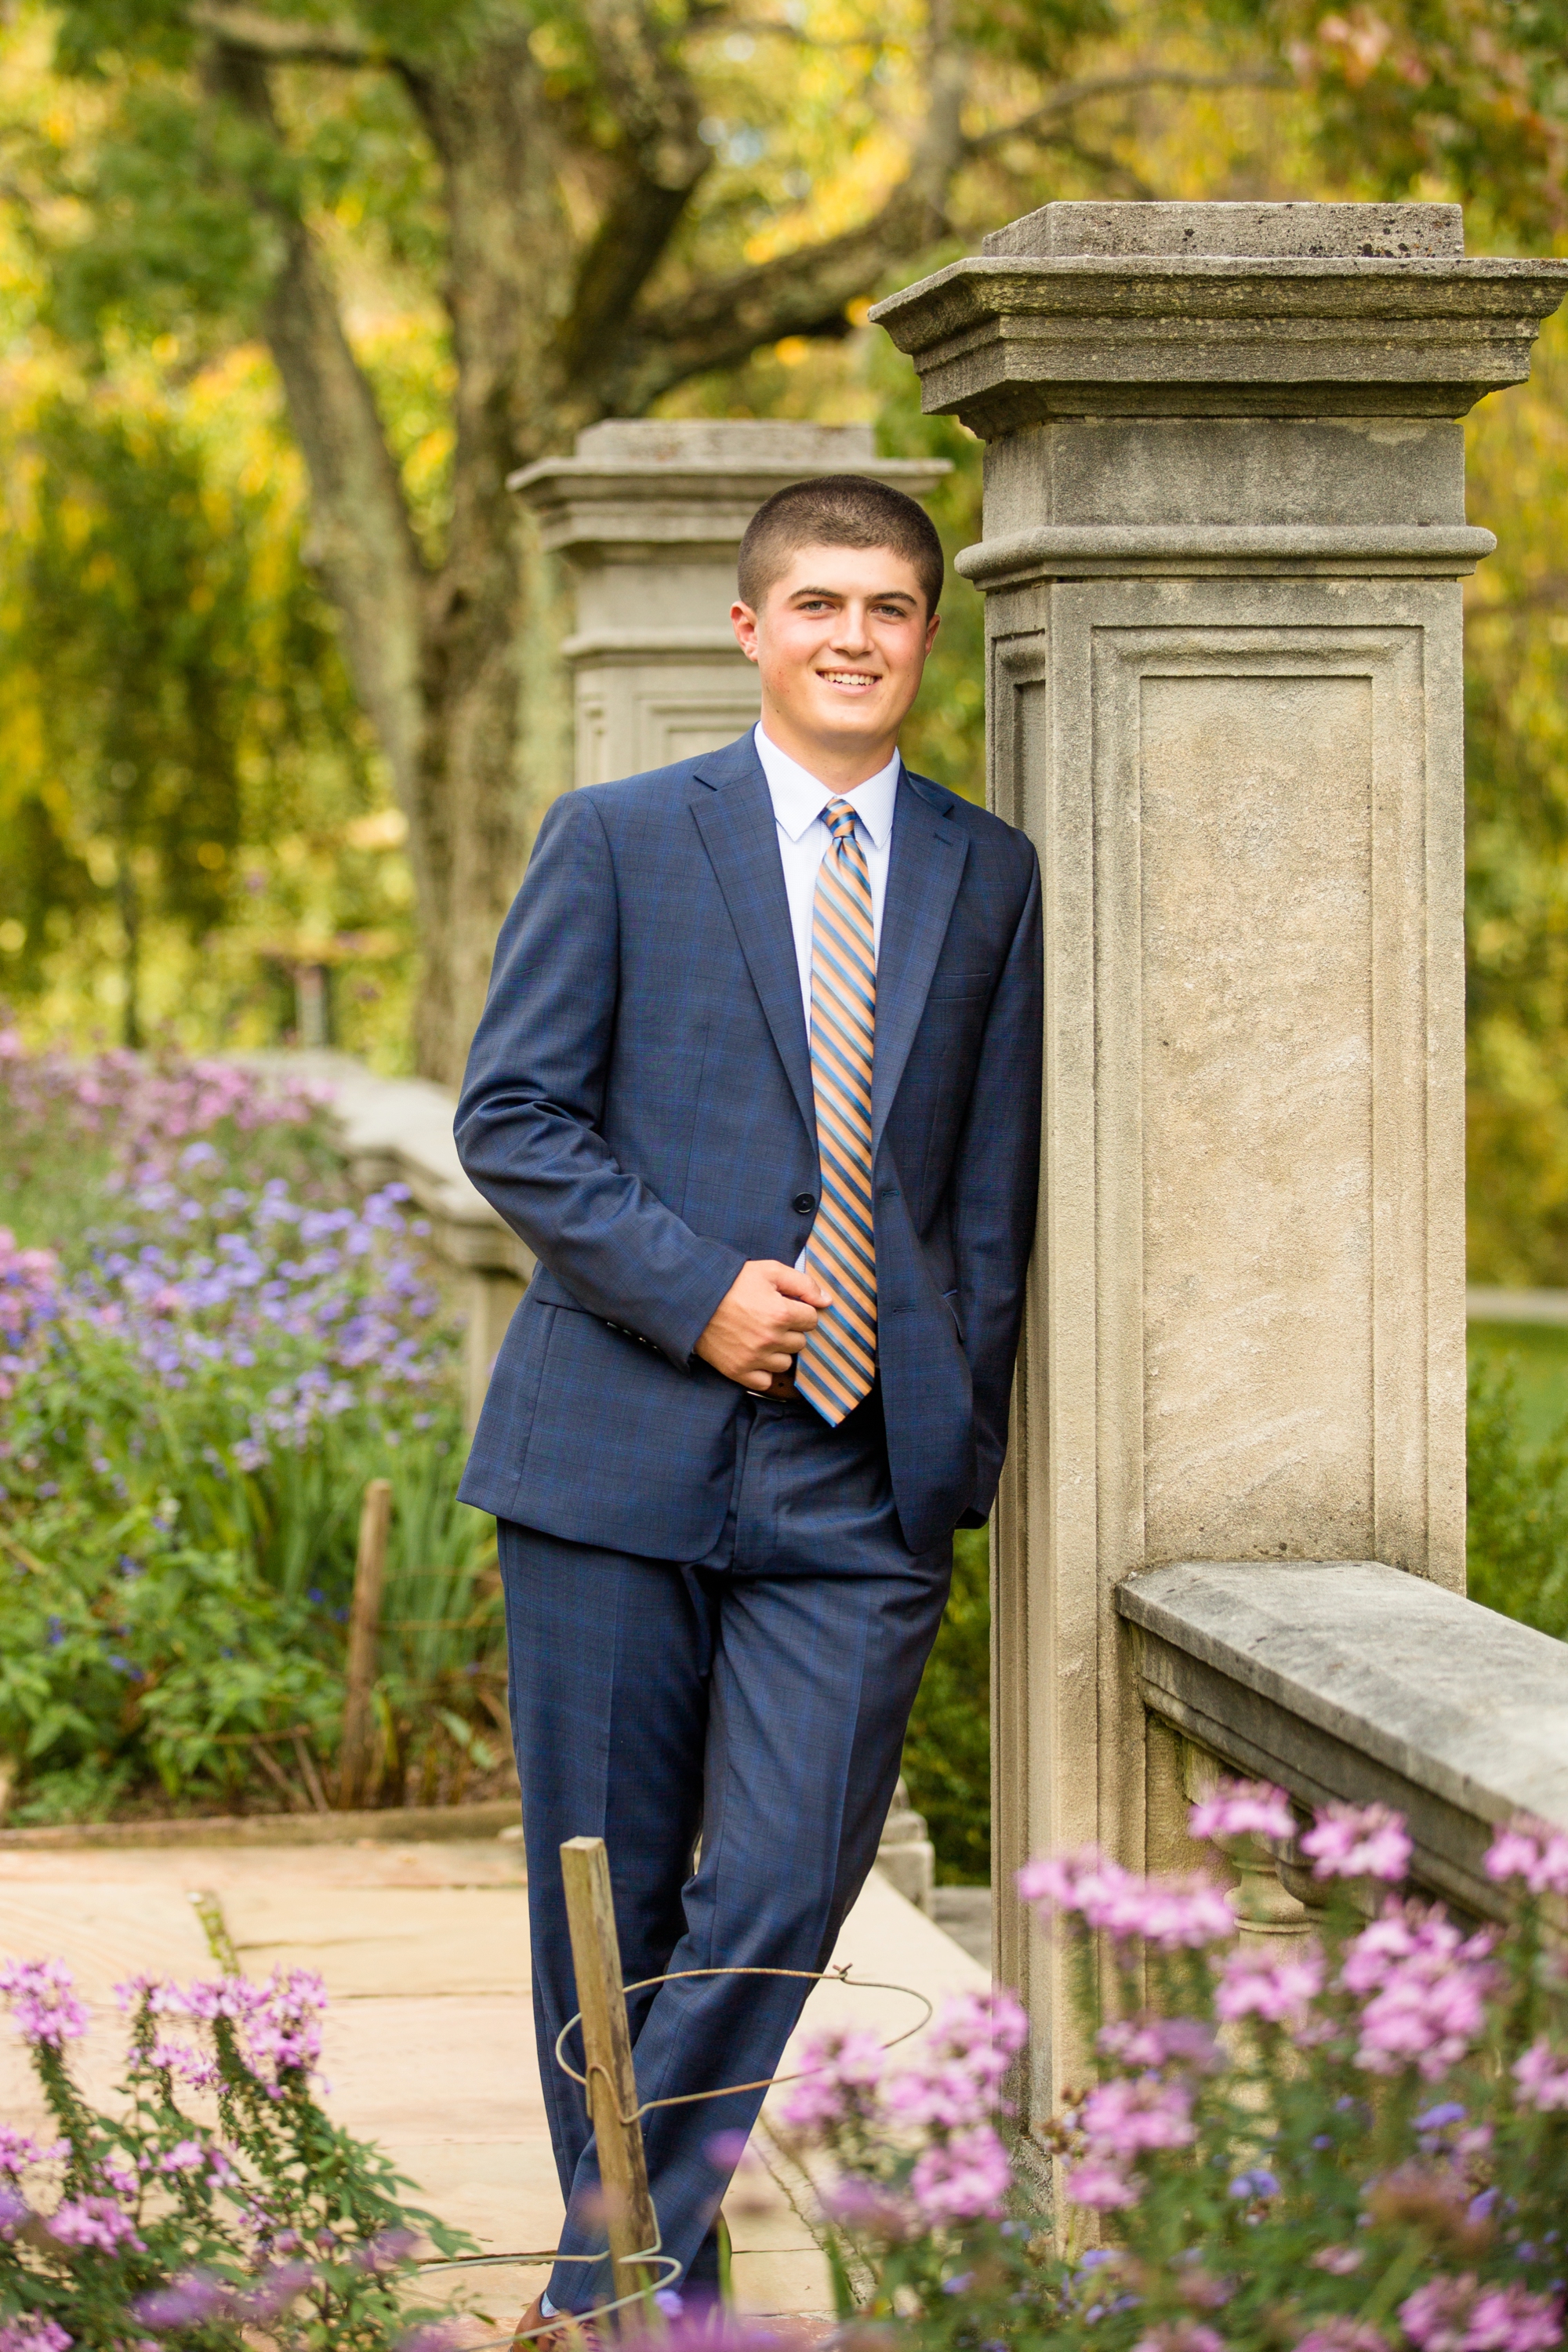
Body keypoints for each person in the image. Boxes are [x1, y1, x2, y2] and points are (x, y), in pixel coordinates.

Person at [453, 473, 1042, 2340]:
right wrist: (695, 1290)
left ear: (925, 637)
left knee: (786, 1877)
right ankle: (656, 2283)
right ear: (748, 630)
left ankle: (601, 2259)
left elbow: (988, 1200)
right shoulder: (622, 837)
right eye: (816, 606)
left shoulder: (986, 870)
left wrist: (963, 1437)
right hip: (615, 1451)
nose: (852, 638)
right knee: (605, 1902)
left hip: (862, 1480)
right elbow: (514, 1121)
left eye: (886, 608)